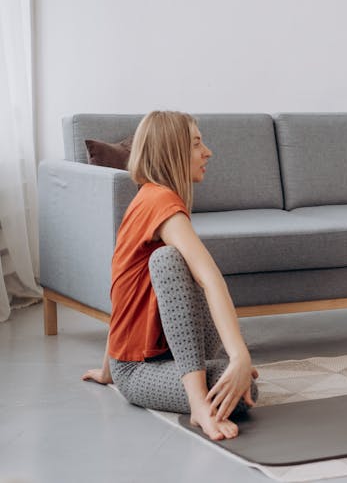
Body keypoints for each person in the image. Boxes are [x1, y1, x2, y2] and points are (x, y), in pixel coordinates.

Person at [82, 111, 258, 441]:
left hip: (163, 354)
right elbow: (211, 279)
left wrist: (105, 369)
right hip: (136, 370)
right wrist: (239, 356)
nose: (208, 151)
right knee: (169, 259)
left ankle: (218, 376)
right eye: (196, 144)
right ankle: (198, 403)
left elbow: (123, 291)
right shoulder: (158, 201)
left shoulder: (152, 196)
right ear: (171, 152)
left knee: (238, 381)